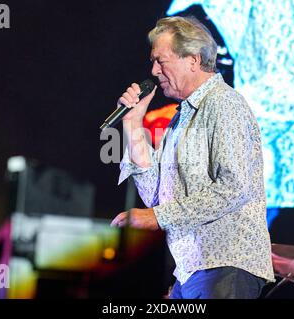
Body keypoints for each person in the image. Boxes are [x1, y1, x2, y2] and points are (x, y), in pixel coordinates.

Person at [110, 16, 275, 299]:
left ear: (194, 60)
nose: (154, 70)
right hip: (191, 270)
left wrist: (156, 217)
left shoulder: (223, 102)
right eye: (153, 61)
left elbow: (234, 187)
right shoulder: (181, 119)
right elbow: (154, 196)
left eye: (161, 61)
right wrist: (133, 125)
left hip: (225, 264)